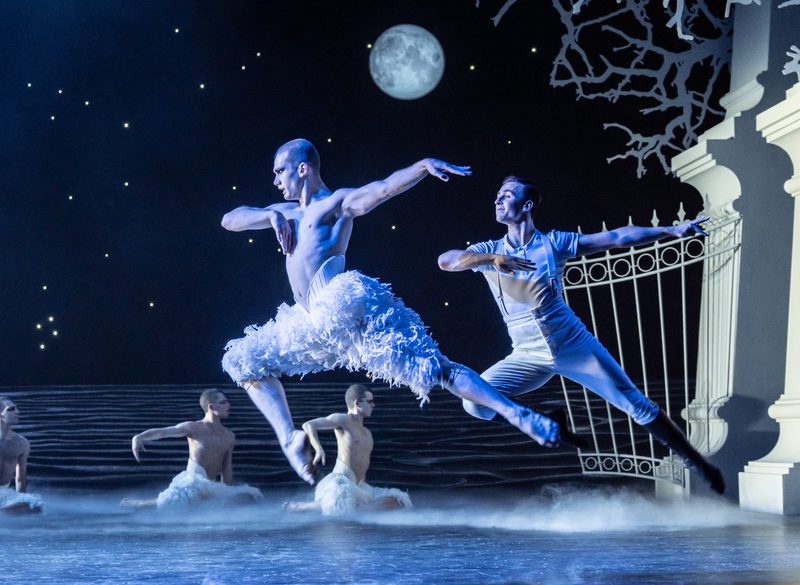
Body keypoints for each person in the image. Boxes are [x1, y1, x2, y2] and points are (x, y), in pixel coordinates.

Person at [221, 139, 580, 485]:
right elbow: (229, 219)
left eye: (279, 171)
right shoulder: (283, 213)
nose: (275, 180)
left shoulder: (335, 203)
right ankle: (289, 440)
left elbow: (383, 188)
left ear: (302, 168)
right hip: (309, 322)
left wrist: (421, 167)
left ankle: (519, 416)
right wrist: (269, 215)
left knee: (436, 368)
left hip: (341, 307)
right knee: (243, 361)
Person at [437, 176, 725, 494]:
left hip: (573, 344)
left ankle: (700, 464)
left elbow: (617, 237)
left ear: (526, 205)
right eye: (497, 196)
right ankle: (545, 422)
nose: (498, 200)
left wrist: (671, 230)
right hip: (527, 354)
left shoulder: (554, 243)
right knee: (474, 402)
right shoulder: (489, 250)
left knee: (637, 405)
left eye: (506, 195)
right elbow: (446, 261)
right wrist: (491, 259)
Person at [121, 389, 262, 509]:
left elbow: (227, 467)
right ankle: (139, 504)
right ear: (211, 407)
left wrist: (228, 492)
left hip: (212, 487)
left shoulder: (229, 436)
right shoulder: (194, 428)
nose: (228, 405)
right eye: (223, 402)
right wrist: (139, 437)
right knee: (175, 502)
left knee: (251, 496)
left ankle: (210, 504)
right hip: (192, 483)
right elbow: (164, 432)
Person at [284, 384, 411, 515]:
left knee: (400, 500)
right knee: (341, 503)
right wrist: (318, 448)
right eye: (369, 401)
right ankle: (302, 507)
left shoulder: (367, 433)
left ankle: (361, 506)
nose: (373, 405)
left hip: (359, 486)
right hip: (340, 482)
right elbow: (309, 425)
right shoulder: (343, 419)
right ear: (357, 403)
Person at [0, 396, 44, 514]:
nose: (17, 412)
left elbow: (20, 479)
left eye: (16, 409)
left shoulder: (21, 442)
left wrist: (21, 499)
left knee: (35, 504)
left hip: (3, 494)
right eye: (11, 409)